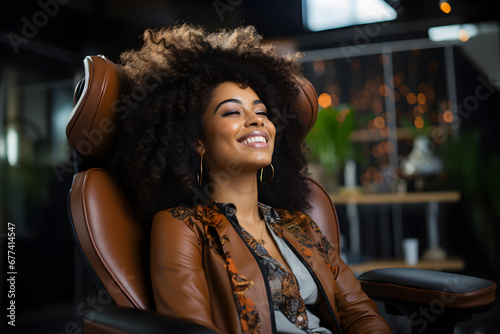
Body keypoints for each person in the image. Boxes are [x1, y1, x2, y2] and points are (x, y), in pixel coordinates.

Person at [112, 24, 391, 334]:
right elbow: (192, 329)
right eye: (232, 112)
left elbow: (360, 313)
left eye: (262, 111)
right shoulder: (182, 226)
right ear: (197, 141)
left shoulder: (300, 226)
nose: (258, 119)